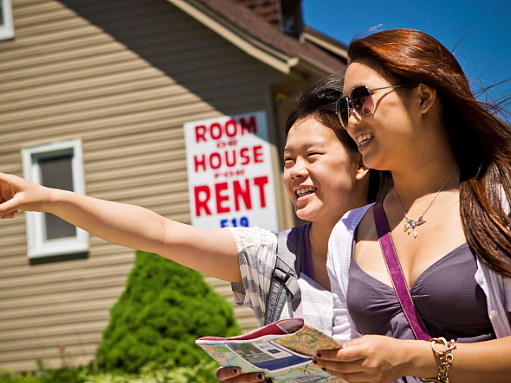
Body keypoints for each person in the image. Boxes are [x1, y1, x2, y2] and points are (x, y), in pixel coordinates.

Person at [0, 75, 375, 383]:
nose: (294, 171)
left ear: (360, 163)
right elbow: (160, 234)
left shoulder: (407, 243)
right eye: (288, 159)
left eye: (312, 156)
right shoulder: (271, 257)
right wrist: (47, 198)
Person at [312, 29, 511, 383]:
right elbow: (348, 368)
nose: (352, 118)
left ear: (423, 97)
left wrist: (416, 358)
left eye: (361, 98)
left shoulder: (506, 201)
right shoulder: (347, 233)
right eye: (344, 108)